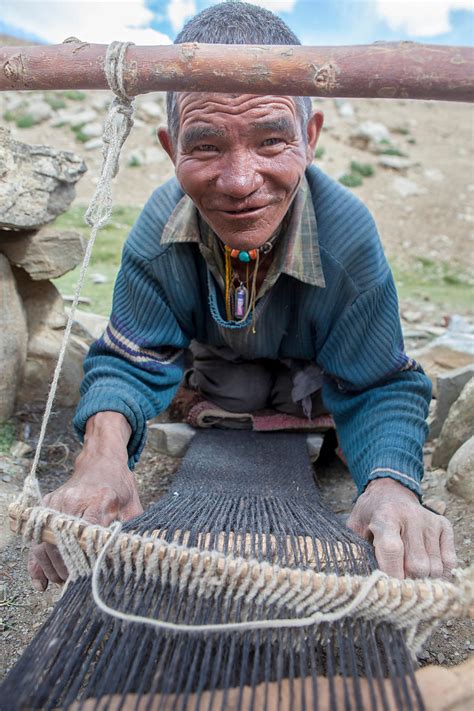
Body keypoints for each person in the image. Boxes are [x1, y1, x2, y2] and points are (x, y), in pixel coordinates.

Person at [28, 1, 456, 591]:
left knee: (320, 400)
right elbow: (129, 358)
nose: (238, 181)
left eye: (271, 140)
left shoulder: (347, 236)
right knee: (240, 387)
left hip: (313, 366)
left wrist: (389, 486)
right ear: (168, 146)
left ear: (310, 138)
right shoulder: (159, 231)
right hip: (221, 362)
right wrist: (101, 459)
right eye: (204, 147)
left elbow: (378, 382)